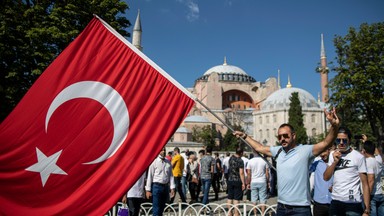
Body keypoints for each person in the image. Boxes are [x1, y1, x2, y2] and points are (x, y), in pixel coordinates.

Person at [233, 107, 340, 216]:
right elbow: (260, 148)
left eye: (285, 136)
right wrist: (245, 136)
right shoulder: (278, 151)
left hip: (301, 208)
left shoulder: (305, 150)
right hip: (282, 207)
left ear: (293, 136)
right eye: (279, 137)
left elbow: (326, 143)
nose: (282, 139)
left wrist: (334, 126)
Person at [323, 127, 370, 216]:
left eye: (344, 140)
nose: (341, 143)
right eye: (338, 140)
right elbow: (326, 177)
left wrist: (367, 210)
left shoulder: (358, 156)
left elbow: (365, 183)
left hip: (352, 203)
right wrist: (334, 162)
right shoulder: (332, 154)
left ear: (349, 140)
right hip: (336, 202)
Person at [145, 147, 175, 216]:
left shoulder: (168, 162)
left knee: (162, 208)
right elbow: (150, 176)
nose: (163, 151)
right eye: (162, 150)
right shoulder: (154, 162)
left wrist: (172, 187)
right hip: (156, 186)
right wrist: (148, 190)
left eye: (164, 150)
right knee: (156, 208)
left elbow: (171, 175)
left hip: (165, 186)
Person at [309, 147, 333, 216]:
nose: (322, 154)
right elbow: (306, 168)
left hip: (333, 201)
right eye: (320, 153)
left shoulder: (335, 163)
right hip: (319, 203)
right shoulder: (316, 164)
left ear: (329, 150)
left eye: (324, 152)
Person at [363, 140, 384, 215]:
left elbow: (371, 180)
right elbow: (377, 152)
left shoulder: (368, 162)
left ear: (364, 151)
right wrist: (367, 141)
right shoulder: (378, 159)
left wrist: (367, 197)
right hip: (380, 193)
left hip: (372, 195)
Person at [227, 147, 246, 216]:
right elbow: (241, 173)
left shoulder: (231, 158)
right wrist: (243, 183)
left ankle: (229, 212)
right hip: (237, 180)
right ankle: (236, 213)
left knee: (230, 197)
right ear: (241, 153)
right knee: (236, 198)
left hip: (230, 179)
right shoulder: (240, 160)